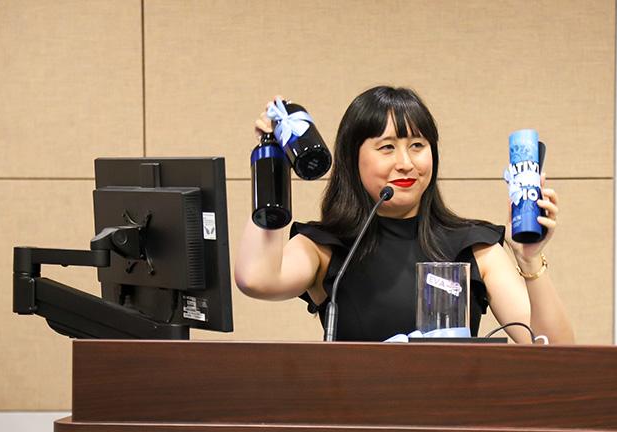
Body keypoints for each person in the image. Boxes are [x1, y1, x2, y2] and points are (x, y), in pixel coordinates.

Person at [235, 86, 574, 344]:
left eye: (417, 145)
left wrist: (530, 260)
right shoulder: (326, 246)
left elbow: (555, 352)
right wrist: (271, 164)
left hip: (450, 428)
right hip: (356, 429)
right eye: (387, 147)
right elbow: (256, 278)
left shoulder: (475, 246)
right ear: (353, 159)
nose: (406, 163)